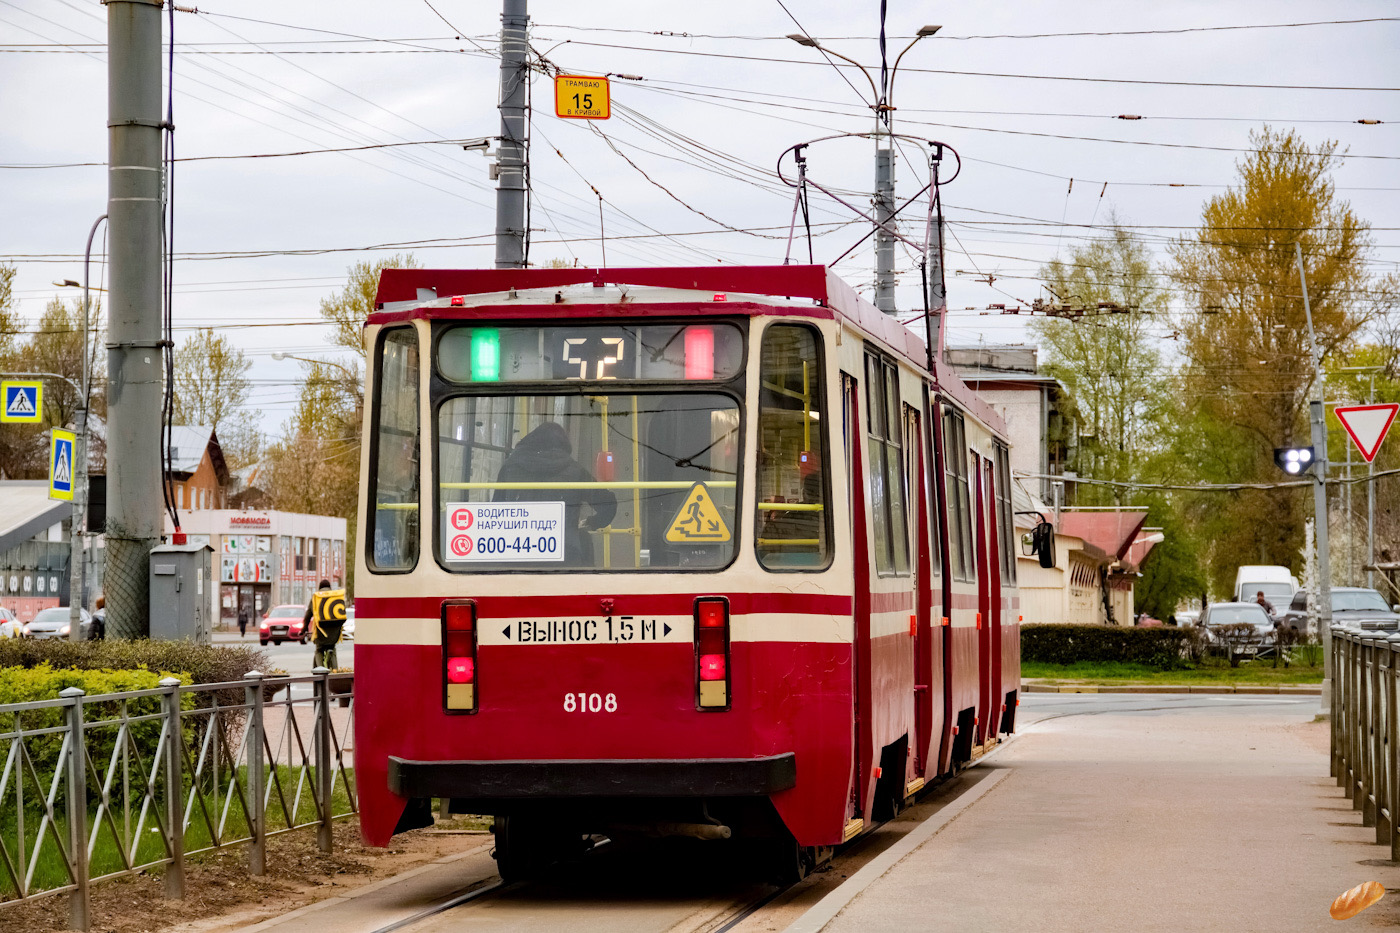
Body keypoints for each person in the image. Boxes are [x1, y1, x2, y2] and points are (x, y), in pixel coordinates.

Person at [494, 422, 617, 566]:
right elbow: (608, 505)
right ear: (563, 445)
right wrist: (590, 523)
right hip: (565, 554)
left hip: (516, 551)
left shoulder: (509, 467)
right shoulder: (576, 471)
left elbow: (496, 510)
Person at [305, 580, 347, 670]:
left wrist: (304, 629)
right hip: (335, 631)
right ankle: (335, 670)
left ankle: (319, 670)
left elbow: (308, 615)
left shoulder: (316, 597)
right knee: (333, 648)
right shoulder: (336, 596)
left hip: (321, 631)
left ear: (320, 587)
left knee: (319, 650)